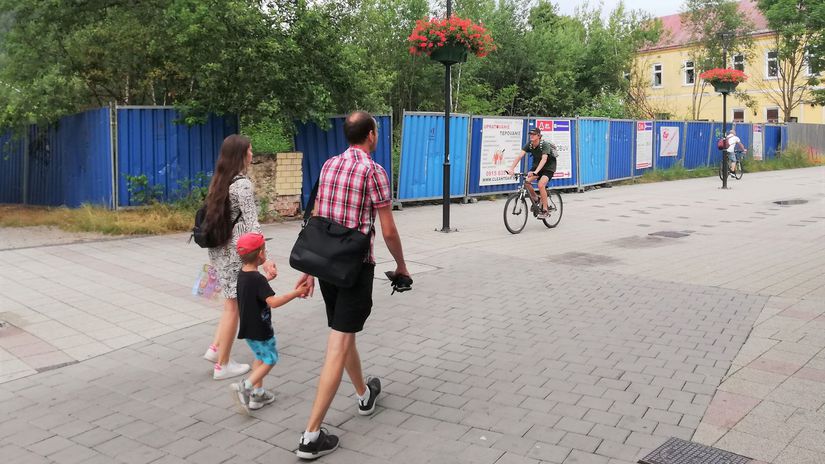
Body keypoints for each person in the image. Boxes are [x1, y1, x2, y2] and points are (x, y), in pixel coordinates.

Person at [294, 111, 410, 460]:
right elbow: (387, 229)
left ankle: (364, 394)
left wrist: (311, 268)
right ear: (371, 135)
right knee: (338, 343)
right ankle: (311, 436)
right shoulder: (373, 171)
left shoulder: (329, 164)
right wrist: (402, 266)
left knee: (343, 334)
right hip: (354, 268)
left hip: (327, 266)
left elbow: (318, 216)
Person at [203, 134, 277, 380]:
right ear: (241, 154)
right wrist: (265, 259)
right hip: (237, 252)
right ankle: (222, 365)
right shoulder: (242, 184)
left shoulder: (220, 180)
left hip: (219, 251)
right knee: (233, 307)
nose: (253, 154)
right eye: (250, 150)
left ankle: (215, 349)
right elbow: (253, 225)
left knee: (229, 304)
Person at [230, 232, 308, 414]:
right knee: (270, 359)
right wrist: (295, 293)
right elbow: (273, 302)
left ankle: (258, 395)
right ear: (260, 255)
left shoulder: (243, 275)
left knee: (260, 358)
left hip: (248, 329)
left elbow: (253, 289)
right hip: (261, 329)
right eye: (264, 249)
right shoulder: (257, 279)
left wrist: (267, 281)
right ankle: (246, 386)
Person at [505, 127, 557, 218]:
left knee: (541, 185)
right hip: (537, 167)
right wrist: (511, 169)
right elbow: (519, 156)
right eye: (530, 134)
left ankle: (545, 210)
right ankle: (536, 199)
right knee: (527, 182)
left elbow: (544, 159)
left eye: (533, 134)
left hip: (548, 168)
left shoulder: (544, 145)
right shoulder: (529, 144)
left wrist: (536, 172)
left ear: (539, 136)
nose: (531, 136)